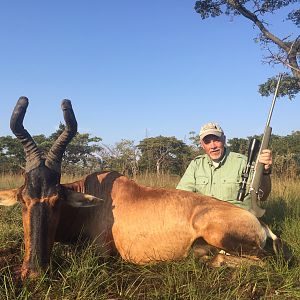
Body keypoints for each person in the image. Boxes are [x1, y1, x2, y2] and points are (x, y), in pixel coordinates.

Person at [176, 122, 272, 212]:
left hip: (237, 219)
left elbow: (263, 196)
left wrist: (265, 172)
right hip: (205, 221)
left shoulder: (243, 162)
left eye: (217, 140)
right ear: (202, 145)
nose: (213, 146)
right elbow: (180, 197)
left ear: (224, 139)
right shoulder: (196, 164)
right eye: (207, 142)